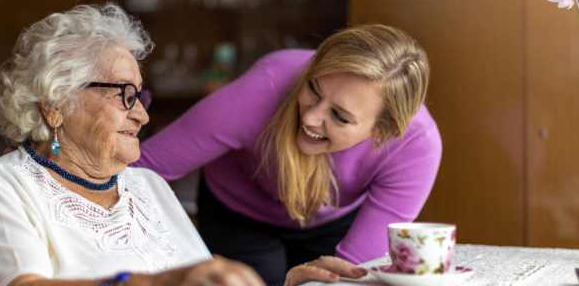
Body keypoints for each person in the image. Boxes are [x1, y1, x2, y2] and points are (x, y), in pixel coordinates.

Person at [0, 4, 368, 286]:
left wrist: (290, 282)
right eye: (123, 96)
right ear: (56, 106)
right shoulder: (0, 190)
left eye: (141, 97)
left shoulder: (147, 186)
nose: (142, 115)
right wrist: (158, 282)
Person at [132, 24, 442, 285]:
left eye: (340, 116)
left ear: (382, 132)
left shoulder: (416, 147)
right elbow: (140, 168)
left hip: (332, 221)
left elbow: (351, 274)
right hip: (238, 213)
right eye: (313, 89)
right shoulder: (267, 85)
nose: (310, 118)